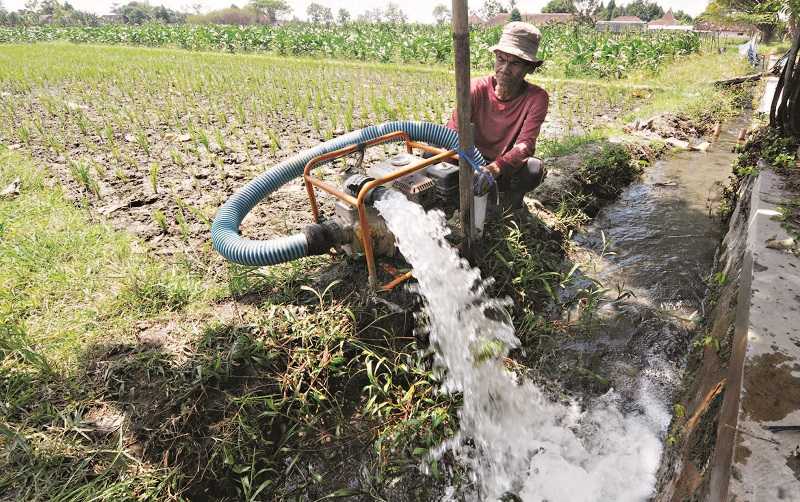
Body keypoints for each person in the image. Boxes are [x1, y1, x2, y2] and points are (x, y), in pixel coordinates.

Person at [446, 21, 549, 210]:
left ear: (530, 68)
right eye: (501, 59)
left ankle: (510, 206)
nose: (505, 68)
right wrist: (469, 168)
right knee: (431, 153)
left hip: (501, 169)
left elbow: (526, 144)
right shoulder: (475, 88)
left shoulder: (536, 98)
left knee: (534, 169)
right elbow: (452, 133)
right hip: (466, 162)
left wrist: (494, 168)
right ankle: (452, 200)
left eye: (515, 63)